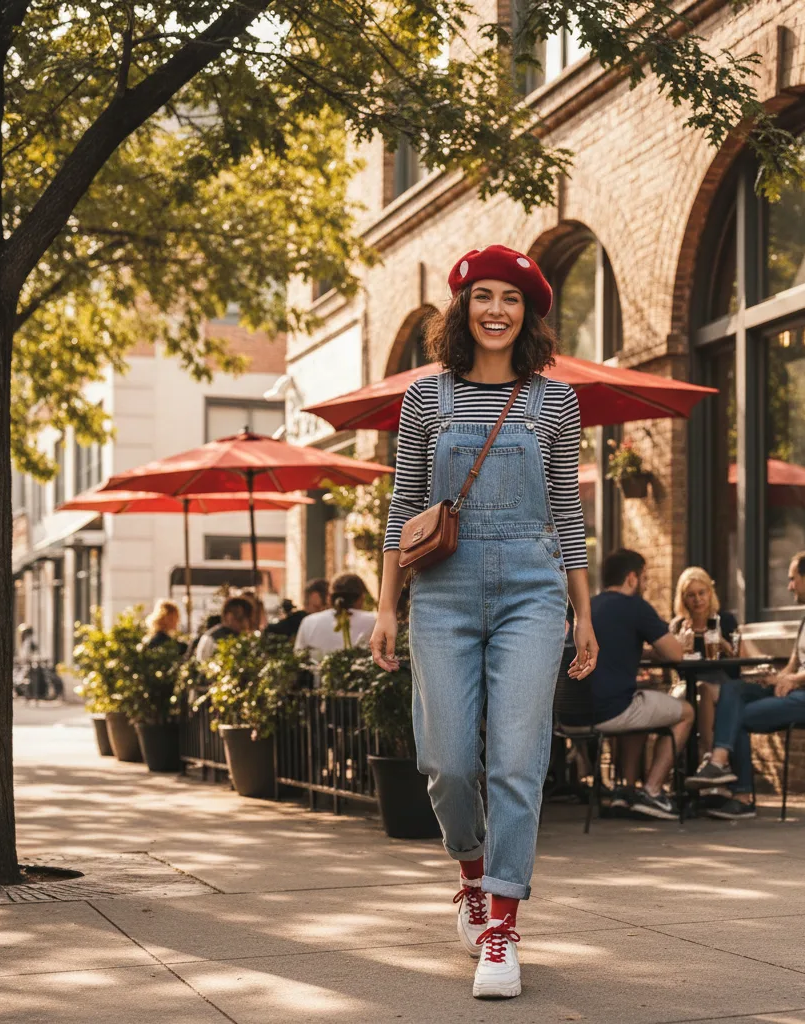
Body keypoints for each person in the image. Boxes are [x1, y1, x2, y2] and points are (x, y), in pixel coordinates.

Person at [370, 244, 597, 1000]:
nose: (496, 310)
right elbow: (404, 508)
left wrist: (584, 612)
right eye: (483, 296)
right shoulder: (425, 398)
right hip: (443, 590)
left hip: (533, 589)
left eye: (511, 298)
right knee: (445, 761)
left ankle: (501, 926)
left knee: (518, 760)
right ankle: (470, 871)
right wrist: (386, 605)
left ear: (528, 314)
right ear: (462, 308)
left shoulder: (554, 401)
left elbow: (568, 513)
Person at [686, 549, 805, 819]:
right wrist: (776, 678)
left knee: (738, 715)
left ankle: (740, 794)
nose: (789, 586)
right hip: (798, 693)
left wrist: (792, 680)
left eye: (792, 579)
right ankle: (720, 765)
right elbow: (793, 665)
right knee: (733, 689)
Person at [579, 549, 694, 820]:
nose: (646, 584)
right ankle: (652, 791)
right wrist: (673, 647)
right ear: (631, 578)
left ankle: (626, 791)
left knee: (639, 706)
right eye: (644, 578)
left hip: (571, 716)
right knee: (687, 712)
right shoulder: (635, 607)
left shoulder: (588, 607)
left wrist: (645, 653)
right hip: (610, 712)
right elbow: (675, 654)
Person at [669, 567, 740, 755]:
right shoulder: (678, 625)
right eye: (691, 595)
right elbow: (674, 666)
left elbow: (738, 657)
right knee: (677, 702)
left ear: (710, 593)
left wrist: (722, 642)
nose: (697, 599)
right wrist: (679, 646)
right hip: (686, 683)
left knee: (703, 691)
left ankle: (706, 753)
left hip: (719, 681)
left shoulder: (725, 620)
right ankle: (681, 760)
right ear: (683, 599)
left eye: (702, 593)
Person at [295, 573, 376, 655]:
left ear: (329, 597)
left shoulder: (308, 622)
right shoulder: (374, 621)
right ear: (361, 598)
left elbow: (299, 655)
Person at [193, 596, 253, 662]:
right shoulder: (213, 638)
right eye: (241, 618)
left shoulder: (241, 638)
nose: (246, 623)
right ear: (229, 616)